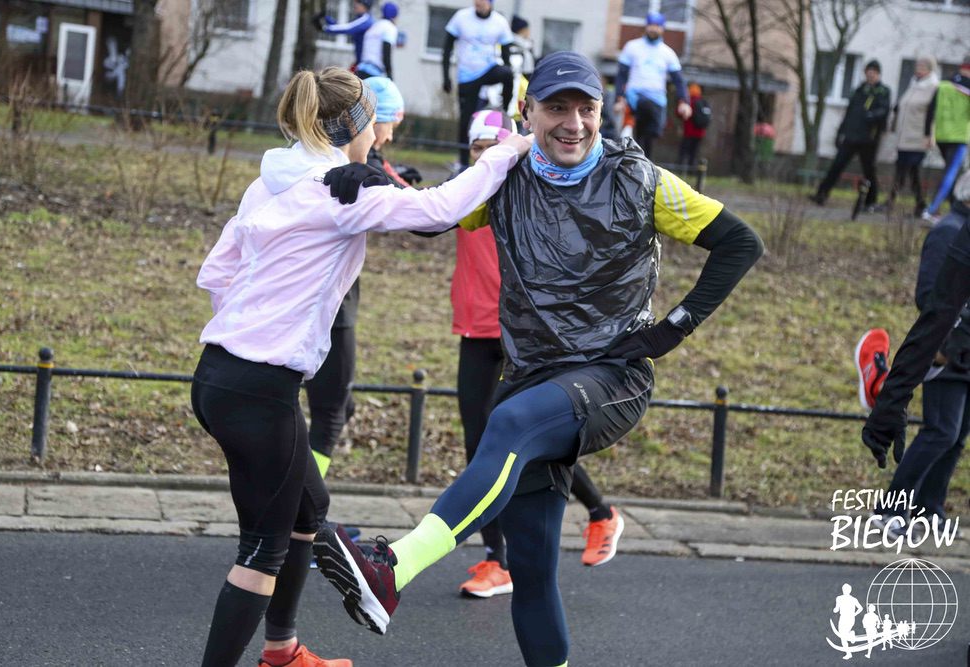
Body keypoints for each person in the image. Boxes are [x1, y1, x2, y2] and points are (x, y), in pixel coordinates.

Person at [313, 52, 763, 667]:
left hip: (612, 377)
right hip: (531, 376)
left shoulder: (640, 179)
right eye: (557, 108)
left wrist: (670, 331)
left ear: (602, 112)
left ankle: (393, 568)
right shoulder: (505, 176)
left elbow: (740, 242)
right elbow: (430, 216)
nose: (573, 123)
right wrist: (365, 173)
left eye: (587, 109)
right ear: (528, 113)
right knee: (531, 571)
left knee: (508, 423)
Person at [191, 66, 531, 667]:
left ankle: (283, 651)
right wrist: (509, 149)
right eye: (373, 123)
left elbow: (217, 273)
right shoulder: (339, 195)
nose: (377, 136)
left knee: (308, 514)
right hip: (261, 389)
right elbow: (440, 209)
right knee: (261, 551)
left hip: (219, 374)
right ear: (355, 125)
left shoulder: (269, 182)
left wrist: (253, 326)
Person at [452, 110, 625, 599]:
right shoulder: (464, 192)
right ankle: (499, 559)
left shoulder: (526, 191)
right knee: (479, 447)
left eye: (493, 147)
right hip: (475, 331)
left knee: (524, 442)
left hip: (520, 336)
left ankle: (596, 513)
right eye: (476, 148)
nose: (484, 156)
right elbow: (421, 211)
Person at [306, 75, 410, 489]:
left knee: (338, 408)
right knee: (331, 413)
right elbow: (425, 215)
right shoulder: (359, 169)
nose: (389, 135)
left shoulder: (316, 160)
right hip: (335, 309)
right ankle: (302, 509)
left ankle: (296, 502)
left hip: (323, 302)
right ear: (367, 122)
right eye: (389, 124)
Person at [860, 172, 970, 534]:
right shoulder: (950, 230)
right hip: (947, 347)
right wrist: (946, 346)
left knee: (956, 435)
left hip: (963, 347)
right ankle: (891, 508)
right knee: (942, 430)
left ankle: (929, 509)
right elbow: (932, 296)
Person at [442, 0, 515, 168]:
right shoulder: (461, 17)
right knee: (466, 120)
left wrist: (508, 87)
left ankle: (505, 108)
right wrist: (446, 77)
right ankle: (463, 161)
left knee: (507, 73)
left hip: (488, 69)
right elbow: (446, 49)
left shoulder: (499, 22)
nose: (478, 3)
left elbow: (506, 55)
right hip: (467, 75)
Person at [809, 60, 890, 209]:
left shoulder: (883, 92)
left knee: (869, 170)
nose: (870, 75)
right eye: (868, 72)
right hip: (851, 136)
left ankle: (870, 201)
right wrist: (841, 132)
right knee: (837, 165)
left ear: (878, 74)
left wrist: (872, 116)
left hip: (869, 139)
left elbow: (884, 111)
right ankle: (822, 194)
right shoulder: (859, 90)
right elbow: (849, 113)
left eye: (873, 73)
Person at [614, 11, 691, 159]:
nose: (653, 29)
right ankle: (634, 160)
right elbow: (621, 75)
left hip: (657, 99)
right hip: (635, 96)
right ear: (646, 26)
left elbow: (678, 80)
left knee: (652, 134)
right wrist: (619, 98)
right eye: (651, 25)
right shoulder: (632, 47)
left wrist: (684, 102)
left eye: (657, 26)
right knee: (639, 130)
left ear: (662, 28)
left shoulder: (667, 53)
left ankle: (644, 161)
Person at [888, 56, 939, 217]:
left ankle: (914, 202)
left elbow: (932, 113)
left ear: (930, 69)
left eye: (923, 67)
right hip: (904, 136)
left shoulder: (933, 87)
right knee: (903, 169)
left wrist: (928, 136)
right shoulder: (913, 85)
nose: (919, 69)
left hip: (918, 137)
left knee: (912, 170)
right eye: (918, 66)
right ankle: (905, 201)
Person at [923, 56, 970, 221]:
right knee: (950, 174)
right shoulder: (968, 87)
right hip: (959, 137)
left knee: (954, 173)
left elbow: (930, 110)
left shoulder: (944, 84)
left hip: (941, 136)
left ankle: (955, 210)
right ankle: (932, 210)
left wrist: (927, 134)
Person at [317, 0, 375, 68]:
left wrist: (324, 28)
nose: (355, 5)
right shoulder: (360, 19)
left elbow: (348, 28)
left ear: (365, 5)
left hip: (367, 64)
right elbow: (341, 26)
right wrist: (326, 18)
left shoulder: (366, 20)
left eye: (358, 3)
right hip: (361, 62)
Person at [356, 3, 399, 79]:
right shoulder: (390, 27)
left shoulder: (375, 25)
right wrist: (390, 76)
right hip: (374, 72)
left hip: (361, 68)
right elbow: (386, 51)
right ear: (394, 16)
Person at [678, 82, 708, 169]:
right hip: (700, 133)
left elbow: (679, 113)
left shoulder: (689, 102)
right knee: (694, 152)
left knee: (684, 151)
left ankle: (681, 168)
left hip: (689, 131)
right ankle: (692, 169)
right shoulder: (703, 102)